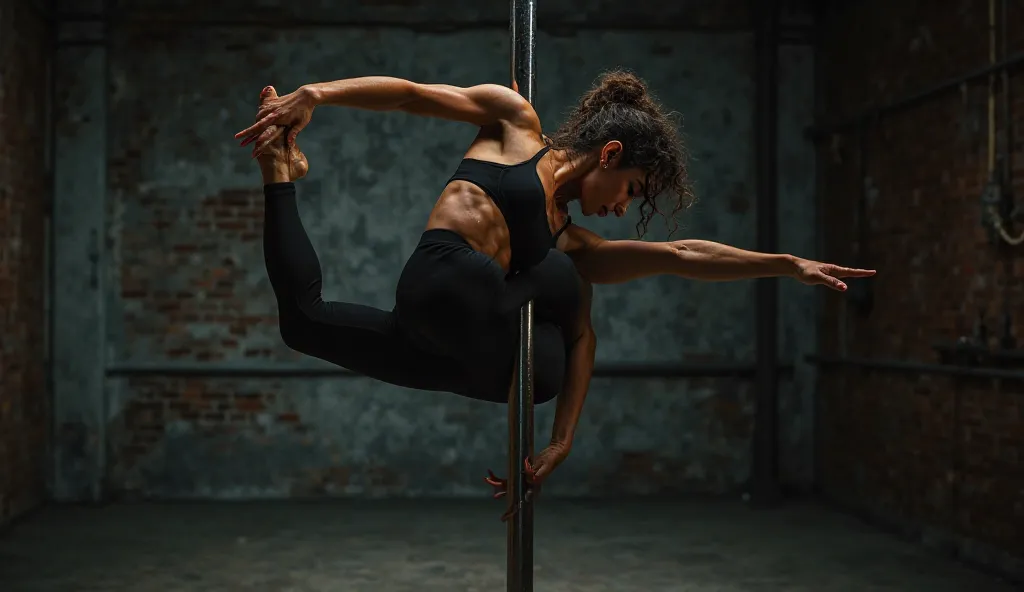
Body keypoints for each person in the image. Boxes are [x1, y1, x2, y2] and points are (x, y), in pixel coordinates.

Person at [235, 73, 875, 513]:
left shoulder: (569, 240)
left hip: (466, 348)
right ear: (610, 153)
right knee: (302, 322)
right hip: (436, 287)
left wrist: (786, 264)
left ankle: (279, 174)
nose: (624, 210)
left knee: (565, 317)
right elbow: (409, 96)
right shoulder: (515, 123)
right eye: (630, 190)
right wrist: (313, 95)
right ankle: (279, 174)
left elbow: (682, 257)